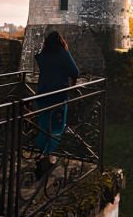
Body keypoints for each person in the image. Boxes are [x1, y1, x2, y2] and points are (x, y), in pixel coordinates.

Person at [33, 31, 79, 179]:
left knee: (43, 127)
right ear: (61, 41)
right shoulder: (62, 53)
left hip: (42, 95)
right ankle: (45, 157)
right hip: (57, 97)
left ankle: (39, 154)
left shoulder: (43, 55)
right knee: (57, 129)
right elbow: (75, 71)